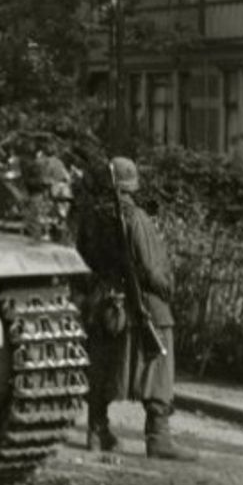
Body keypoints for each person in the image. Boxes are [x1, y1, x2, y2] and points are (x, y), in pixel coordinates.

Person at [76, 157, 197, 461]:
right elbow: (151, 268)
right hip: (140, 303)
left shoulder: (91, 219)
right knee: (159, 360)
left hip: (106, 302)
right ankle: (158, 437)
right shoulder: (136, 218)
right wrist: (167, 286)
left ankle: (96, 430)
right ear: (132, 184)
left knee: (102, 363)